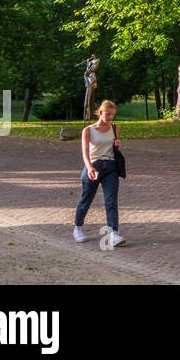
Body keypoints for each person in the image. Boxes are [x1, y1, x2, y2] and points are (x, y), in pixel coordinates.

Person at [74, 99, 125, 248]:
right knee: (86, 199)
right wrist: (89, 167)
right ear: (100, 112)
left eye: (113, 115)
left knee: (111, 201)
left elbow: (114, 146)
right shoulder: (88, 130)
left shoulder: (115, 128)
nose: (110, 118)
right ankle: (77, 228)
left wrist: (118, 144)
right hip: (94, 166)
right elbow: (84, 152)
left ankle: (113, 233)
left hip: (110, 166)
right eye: (108, 114)